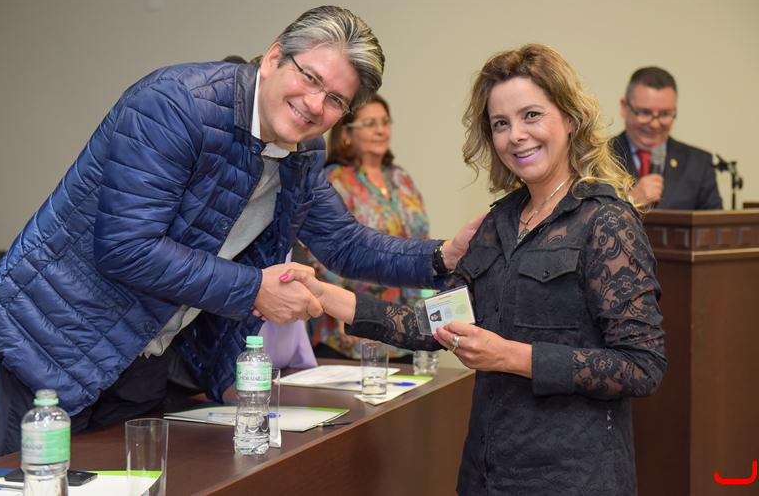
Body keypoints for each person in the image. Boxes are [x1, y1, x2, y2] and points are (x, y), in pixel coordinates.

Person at [0, 5, 477, 458]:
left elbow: (343, 242)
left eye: (334, 100)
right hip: (55, 335)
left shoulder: (303, 153)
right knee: (42, 480)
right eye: (309, 77)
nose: (313, 104)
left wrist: (442, 256)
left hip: (148, 350)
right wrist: (255, 289)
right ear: (274, 56)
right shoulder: (175, 105)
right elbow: (127, 246)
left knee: (133, 476)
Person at [280, 44, 667, 495]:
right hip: (486, 474)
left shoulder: (607, 221)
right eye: (501, 123)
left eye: (531, 116)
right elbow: (435, 323)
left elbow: (642, 365)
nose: (516, 136)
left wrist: (512, 356)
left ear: (569, 118)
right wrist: (325, 295)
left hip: (572, 478)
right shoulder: (497, 222)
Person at [308, 94, 430, 361]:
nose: (380, 130)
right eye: (370, 123)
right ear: (346, 133)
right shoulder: (333, 180)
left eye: (385, 122)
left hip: (406, 329)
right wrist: (346, 311)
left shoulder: (401, 178)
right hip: (352, 328)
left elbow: (421, 241)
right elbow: (321, 256)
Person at [611, 66, 722, 209]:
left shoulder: (699, 163)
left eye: (664, 114)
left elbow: (713, 221)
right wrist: (630, 201)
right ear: (624, 107)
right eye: (645, 112)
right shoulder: (598, 158)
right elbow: (586, 218)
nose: (655, 124)